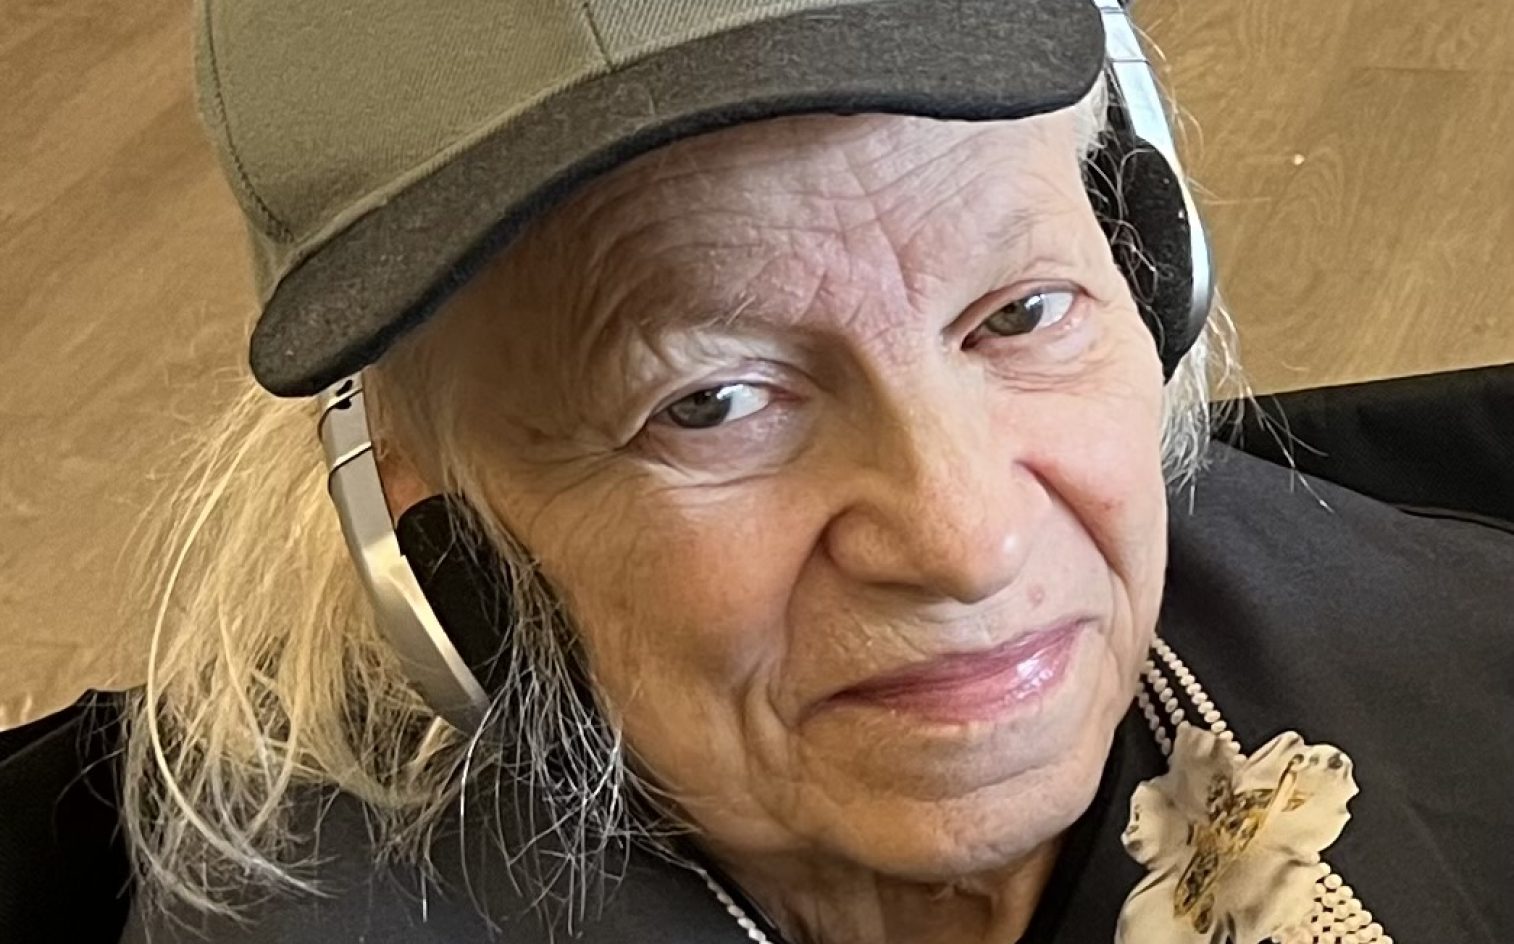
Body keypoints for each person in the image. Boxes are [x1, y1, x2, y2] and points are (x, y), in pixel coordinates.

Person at [118, 1, 1514, 942]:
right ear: (431, 533)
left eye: (1017, 314)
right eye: (710, 401)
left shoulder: (1468, 663)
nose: (963, 538)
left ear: (1150, 273)